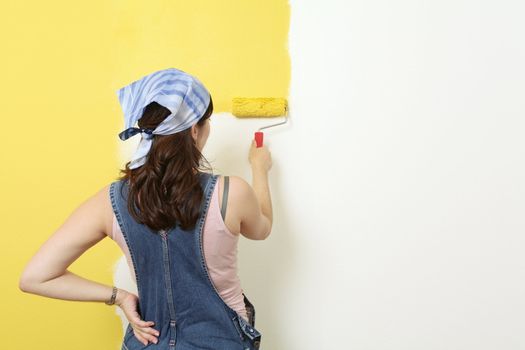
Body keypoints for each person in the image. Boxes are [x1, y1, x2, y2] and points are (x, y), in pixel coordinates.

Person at [19, 68, 273, 350]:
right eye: (207, 121)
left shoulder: (110, 200)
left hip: (146, 343)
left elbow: (35, 277)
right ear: (193, 130)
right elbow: (262, 228)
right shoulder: (231, 192)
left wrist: (120, 297)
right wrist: (260, 170)